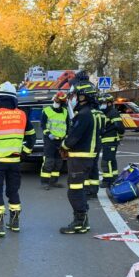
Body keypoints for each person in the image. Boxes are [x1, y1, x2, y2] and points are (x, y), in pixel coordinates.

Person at [0, 82, 36, 237]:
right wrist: (25, 153)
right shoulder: (22, 115)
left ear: (0, 98)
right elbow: (32, 136)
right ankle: (15, 223)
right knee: (13, 192)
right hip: (15, 162)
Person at [60, 82, 101, 234]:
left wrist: (63, 146)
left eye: (75, 95)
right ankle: (82, 220)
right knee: (79, 190)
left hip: (79, 159)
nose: (73, 99)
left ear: (83, 97)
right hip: (85, 159)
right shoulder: (90, 113)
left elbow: (73, 137)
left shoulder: (83, 115)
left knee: (75, 191)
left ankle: (80, 222)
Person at [40, 91, 69, 190]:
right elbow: (43, 125)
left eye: (58, 101)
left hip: (61, 141)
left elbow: (68, 126)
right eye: (55, 100)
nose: (56, 102)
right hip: (50, 140)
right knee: (49, 162)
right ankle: (44, 182)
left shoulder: (65, 112)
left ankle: (54, 181)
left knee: (58, 162)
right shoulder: (47, 110)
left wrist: (67, 137)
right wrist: (48, 133)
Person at [99, 94, 125, 187]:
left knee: (106, 162)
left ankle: (107, 181)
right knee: (111, 161)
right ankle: (114, 179)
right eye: (101, 103)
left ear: (110, 103)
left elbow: (120, 127)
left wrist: (119, 137)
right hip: (107, 141)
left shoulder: (113, 113)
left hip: (110, 141)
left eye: (104, 103)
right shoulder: (105, 113)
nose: (102, 105)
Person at [85, 94, 106, 199]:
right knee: (94, 166)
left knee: (86, 167)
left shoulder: (88, 113)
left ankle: (87, 190)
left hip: (89, 143)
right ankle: (94, 190)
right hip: (98, 142)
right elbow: (103, 129)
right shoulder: (101, 114)